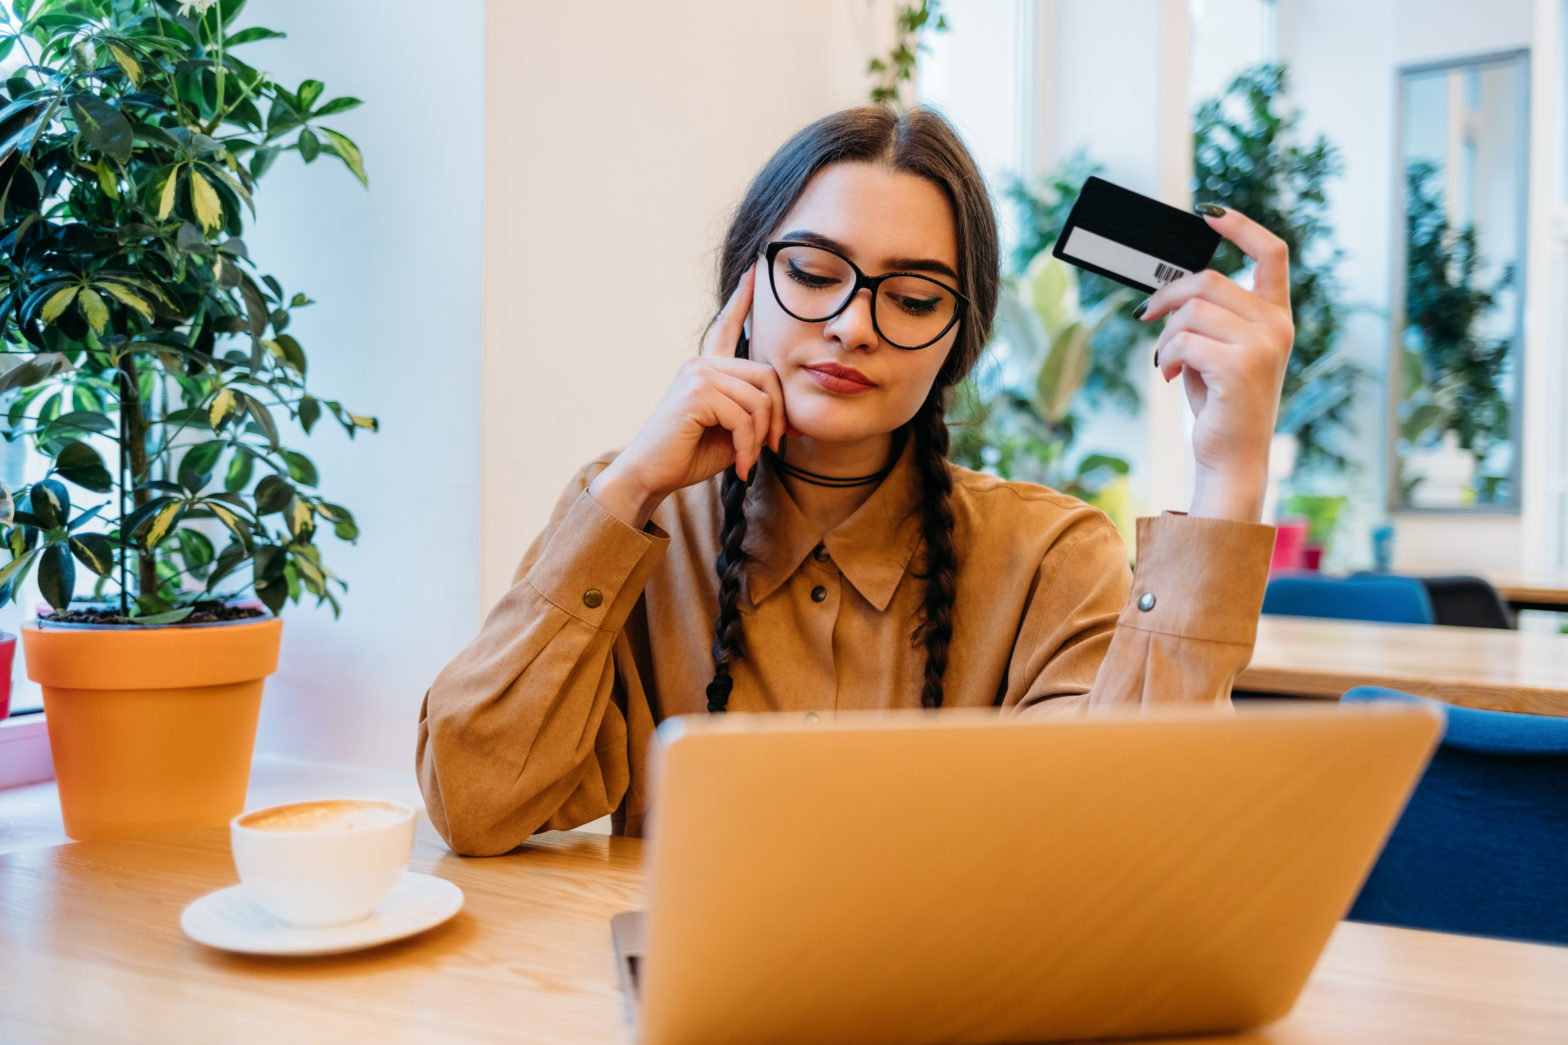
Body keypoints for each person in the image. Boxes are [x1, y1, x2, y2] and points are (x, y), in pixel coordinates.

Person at [417, 106, 1291, 855]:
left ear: (960, 338)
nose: (850, 325)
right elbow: (473, 802)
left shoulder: (1050, 556)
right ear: (745, 285)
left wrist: (1229, 473)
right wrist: (627, 488)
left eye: (912, 299)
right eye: (811, 273)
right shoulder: (640, 521)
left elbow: (1127, 836)